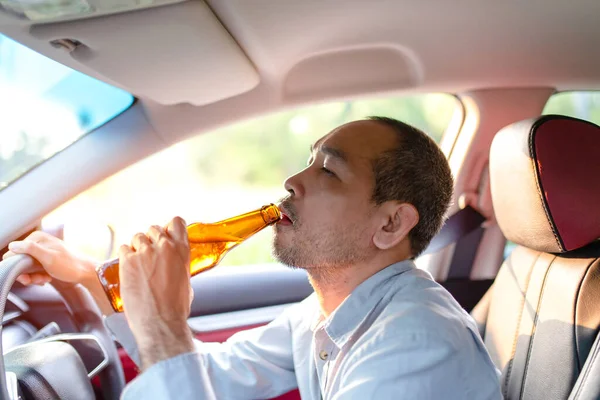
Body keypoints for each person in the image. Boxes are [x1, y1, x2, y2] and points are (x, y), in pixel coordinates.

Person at [4, 117, 502, 399]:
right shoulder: (326, 313)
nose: (292, 181)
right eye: (308, 160)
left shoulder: (417, 348)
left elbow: (179, 366)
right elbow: (216, 373)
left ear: (390, 224)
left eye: (329, 171)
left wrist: (165, 328)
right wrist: (95, 282)